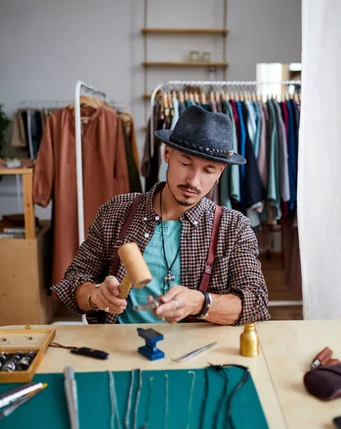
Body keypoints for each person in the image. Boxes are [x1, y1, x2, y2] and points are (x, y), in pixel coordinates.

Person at [52, 105, 269, 325]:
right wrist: (95, 295)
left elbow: (256, 303)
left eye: (208, 170)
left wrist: (200, 303)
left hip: (195, 353)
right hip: (119, 349)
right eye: (185, 163)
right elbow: (73, 282)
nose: (193, 181)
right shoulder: (116, 212)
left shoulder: (233, 228)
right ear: (167, 153)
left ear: (221, 171)